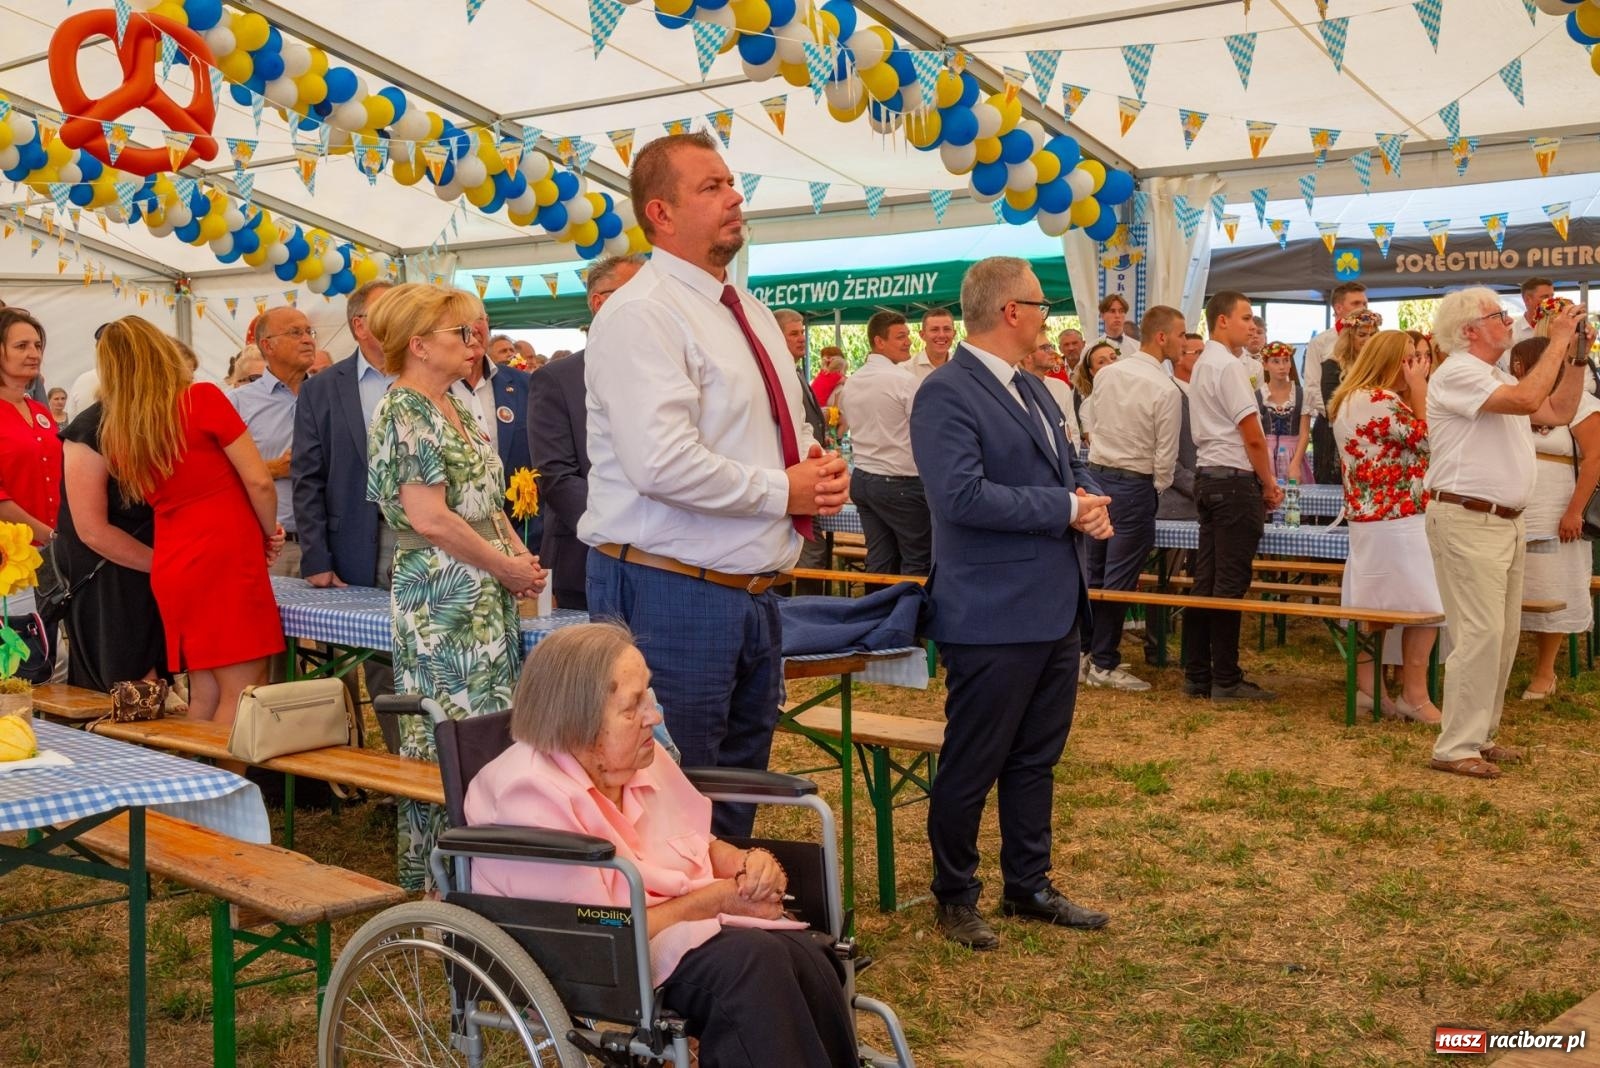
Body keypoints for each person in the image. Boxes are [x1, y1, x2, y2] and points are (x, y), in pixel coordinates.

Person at [580, 131, 847, 838]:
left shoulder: (745, 307)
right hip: (671, 590)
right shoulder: (642, 313)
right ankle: (675, 940)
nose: (735, 198)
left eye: (732, 183)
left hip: (748, 593)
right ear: (661, 214)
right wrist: (781, 492)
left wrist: (817, 469)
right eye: (713, 187)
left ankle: (724, 930)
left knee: (734, 792)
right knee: (668, 793)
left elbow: (770, 428)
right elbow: (659, 462)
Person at [464, 622, 856, 1067]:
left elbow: (694, 841)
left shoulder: (636, 759)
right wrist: (717, 899)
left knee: (806, 954)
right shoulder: (529, 797)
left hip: (673, 928)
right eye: (633, 707)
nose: (655, 716)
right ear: (579, 724)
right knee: (752, 966)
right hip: (607, 957)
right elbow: (599, 933)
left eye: (648, 695)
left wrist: (747, 862)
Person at [910, 256, 1112, 951]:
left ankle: (1029, 883)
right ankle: (955, 893)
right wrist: (1065, 506)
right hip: (990, 611)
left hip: (1053, 603)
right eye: (1041, 302)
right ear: (1011, 311)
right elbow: (960, 497)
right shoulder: (946, 392)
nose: (1048, 314)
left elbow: (1068, 463)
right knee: (974, 759)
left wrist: (1088, 498)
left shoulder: (1032, 386)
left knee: (1034, 759)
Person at [366, 283, 547, 888]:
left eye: (475, 332)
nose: (476, 344)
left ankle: (493, 872)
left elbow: (488, 503)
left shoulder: (455, 404)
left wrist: (519, 555)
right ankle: (443, 881)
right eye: (461, 333)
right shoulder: (404, 409)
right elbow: (430, 517)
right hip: (442, 595)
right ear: (418, 345)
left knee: (496, 720)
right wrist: (503, 566)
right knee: (453, 728)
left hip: (481, 590)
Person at [1424, 289, 1585, 779]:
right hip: (1469, 517)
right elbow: (1529, 397)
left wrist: (1577, 354)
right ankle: (1455, 747)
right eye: (1498, 314)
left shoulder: (1490, 373)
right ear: (1469, 330)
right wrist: (1555, 338)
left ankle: (1479, 736)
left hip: (1501, 520)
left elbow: (1557, 410)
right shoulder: (1457, 371)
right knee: (1480, 632)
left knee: (1502, 634)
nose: (1510, 318)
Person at [97, 316, 284, 722]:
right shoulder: (201, 399)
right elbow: (260, 482)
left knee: (205, 691)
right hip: (225, 554)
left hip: (174, 559)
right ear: (162, 351)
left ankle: (195, 783)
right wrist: (270, 533)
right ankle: (226, 786)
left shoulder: (120, 430)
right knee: (244, 691)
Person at [292, 280, 401, 746]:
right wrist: (316, 557)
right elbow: (308, 476)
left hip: (432, 540)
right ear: (360, 326)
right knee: (380, 664)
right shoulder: (322, 389)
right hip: (359, 544)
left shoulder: (428, 374)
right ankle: (403, 780)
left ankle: (443, 775)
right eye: (389, 312)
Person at [1327, 330, 1442, 722]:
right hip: (1398, 517)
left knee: (1371, 606)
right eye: (1409, 358)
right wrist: (1420, 389)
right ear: (1389, 361)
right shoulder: (1377, 400)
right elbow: (1429, 440)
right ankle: (1414, 695)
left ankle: (1370, 692)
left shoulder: (1352, 398)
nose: (1415, 366)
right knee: (1425, 607)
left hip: (1374, 519)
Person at [526, 254, 646, 610]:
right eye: (639, 294)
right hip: (585, 559)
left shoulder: (668, 370)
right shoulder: (556, 379)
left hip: (665, 559)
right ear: (600, 302)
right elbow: (555, 476)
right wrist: (627, 528)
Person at [1183, 291, 1284, 702]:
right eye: (1245, 318)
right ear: (1221, 320)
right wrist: (1270, 483)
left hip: (1209, 476)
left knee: (1205, 581)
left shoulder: (1204, 362)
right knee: (1229, 583)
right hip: (1233, 479)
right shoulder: (1226, 365)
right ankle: (1225, 678)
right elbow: (1253, 436)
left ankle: (1198, 673)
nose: (1252, 326)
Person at [1080, 305, 1185, 692]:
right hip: (1134, 483)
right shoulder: (1164, 388)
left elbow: (1093, 423)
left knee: (1093, 572)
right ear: (1161, 337)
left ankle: (1084, 654)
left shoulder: (1107, 374)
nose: (1181, 341)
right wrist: (1153, 488)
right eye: (1179, 334)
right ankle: (1104, 663)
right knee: (1119, 578)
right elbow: (1166, 456)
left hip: (1097, 477)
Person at [57, 370, 168, 694]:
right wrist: (164, 564)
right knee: (125, 690)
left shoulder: (148, 424)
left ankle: (150, 745)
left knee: (152, 686)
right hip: (107, 580)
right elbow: (92, 531)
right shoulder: (90, 429)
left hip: (145, 574)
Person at [1511, 304, 1600, 701]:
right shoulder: (1517, 400)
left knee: (1554, 583)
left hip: (1558, 505)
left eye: (1520, 363)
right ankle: (1506, 660)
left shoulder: (1580, 402)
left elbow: (1596, 458)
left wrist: (1573, 511)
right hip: (1516, 506)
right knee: (1518, 585)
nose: (1515, 369)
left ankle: (1545, 672)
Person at [838, 311, 929, 576]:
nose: (908, 342)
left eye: (908, 336)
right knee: (917, 559)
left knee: (879, 560)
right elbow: (924, 432)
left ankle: (878, 616)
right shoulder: (905, 381)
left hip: (864, 479)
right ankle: (911, 617)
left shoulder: (852, 381)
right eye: (901, 337)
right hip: (899, 482)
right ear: (879, 341)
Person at [0, 308, 62, 681]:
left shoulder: (40, 411)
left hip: (48, 558)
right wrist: (51, 535)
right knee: (15, 667)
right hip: (11, 561)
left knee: (45, 660)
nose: (33, 353)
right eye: (21, 345)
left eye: (37, 344)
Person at [233, 308, 316, 576]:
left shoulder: (330, 396)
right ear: (267, 346)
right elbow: (214, 475)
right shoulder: (237, 403)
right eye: (295, 332)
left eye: (308, 331)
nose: (307, 339)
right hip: (270, 548)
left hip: (327, 545)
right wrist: (271, 469)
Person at [773, 308, 832, 579]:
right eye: (794, 334)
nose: (801, 339)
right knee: (808, 556)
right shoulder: (777, 373)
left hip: (810, 473)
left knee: (810, 554)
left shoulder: (794, 372)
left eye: (803, 333)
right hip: (797, 480)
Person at [1308, 282, 1369, 485]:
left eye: (1365, 303)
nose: (1363, 308)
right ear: (1338, 308)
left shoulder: (1372, 341)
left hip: (1364, 425)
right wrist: (1335, 416)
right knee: (1328, 481)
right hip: (1329, 423)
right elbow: (1312, 386)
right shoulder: (1321, 342)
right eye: (1356, 303)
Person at [1319, 310, 1382, 486]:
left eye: (1372, 335)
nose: (1368, 339)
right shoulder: (1333, 365)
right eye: (1362, 334)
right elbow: (1331, 408)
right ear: (1350, 338)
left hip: (1376, 442)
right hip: (1344, 442)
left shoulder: (1380, 366)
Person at [1156, 334, 1203, 521]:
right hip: (1178, 504)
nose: (1205, 359)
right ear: (1180, 357)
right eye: (1199, 353)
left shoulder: (1209, 392)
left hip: (1213, 500)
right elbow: (1163, 455)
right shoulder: (1165, 393)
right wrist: (1199, 487)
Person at [1257, 341, 1313, 484]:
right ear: (1265, 364)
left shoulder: (1302, 395)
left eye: (1286, 361)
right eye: (1275, 361)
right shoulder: (1257, 396)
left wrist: (1295, 464)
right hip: (1265, 456)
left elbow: (1304, 434)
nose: (1282, 366)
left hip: (1294, 454)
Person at [1022, 329, 1081, 449]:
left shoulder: (1061, 387)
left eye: (1051, 346)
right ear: (1027, 355)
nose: (1053, 352)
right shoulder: (1016, 388)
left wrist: (1069, 464)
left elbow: (1073, 432)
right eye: (1045, 348)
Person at [1072, 339, 1118, 438]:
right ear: (1092, 372)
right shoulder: (1089, 405)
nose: (1111, 363)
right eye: (1101, 362)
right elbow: (1092, 441)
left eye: (1113, 358)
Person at [907, 307, 956, 382]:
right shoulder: (906, 369)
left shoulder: (964, 367)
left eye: (947, 329)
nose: (941, 335)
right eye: (934, 330)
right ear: (922, 335)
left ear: (954, 334)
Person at [1511, 277, 1555, 349]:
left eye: (1552, 296)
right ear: (1527, 299)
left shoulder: (1557, 328)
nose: (1552, 301)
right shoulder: (1513, 333)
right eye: (1545, 297)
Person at [1097, 293, 1140, 358]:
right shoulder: (1093, 348)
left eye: (1121, 311)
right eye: (1112, 311)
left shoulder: (1138, 347)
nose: (1117, 315)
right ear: (1102, 315)